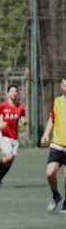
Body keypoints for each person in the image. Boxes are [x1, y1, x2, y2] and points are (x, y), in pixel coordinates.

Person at [0, 84, 27, 188]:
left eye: (16, 91)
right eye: (12, 91)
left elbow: (23, 118)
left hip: (14, 137)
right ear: (8, 93)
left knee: (10, 162)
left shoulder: (20, 107)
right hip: (4, 136)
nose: (14, 93)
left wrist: (24, 121)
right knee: (9, 156)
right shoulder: (3, 106)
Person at [40, 78, 66, 212]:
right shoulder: (56, 102)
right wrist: (46, 134)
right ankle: (56, 195)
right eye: (65, 85)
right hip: (57, 144)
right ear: (62, 87)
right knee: (50, 173)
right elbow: (52, 119)